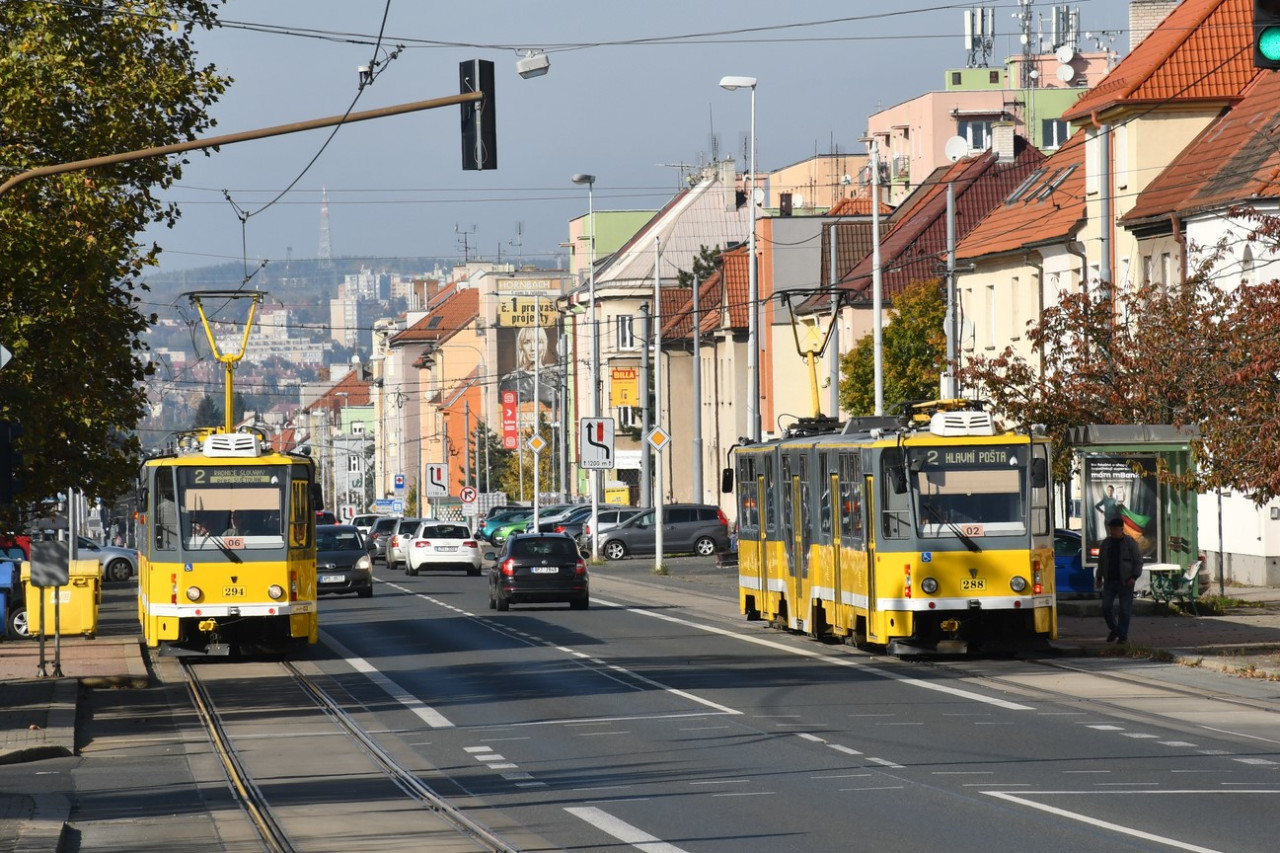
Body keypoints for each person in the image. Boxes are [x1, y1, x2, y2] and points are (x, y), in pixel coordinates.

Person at [1095, 516, 1143, 643]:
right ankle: (1115, 629)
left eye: (1115, 529)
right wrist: (1099, 577)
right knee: (1106, 607)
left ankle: (1122, 635)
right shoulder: (1106, 543)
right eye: (1111, 529)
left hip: (1126, 582)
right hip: (1110, 581)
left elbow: (1138, 562)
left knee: (1125, 610)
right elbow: (1101, 562)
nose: (1112, 532)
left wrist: (1134, 577)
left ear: (1121, 529)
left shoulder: (1130, 543)